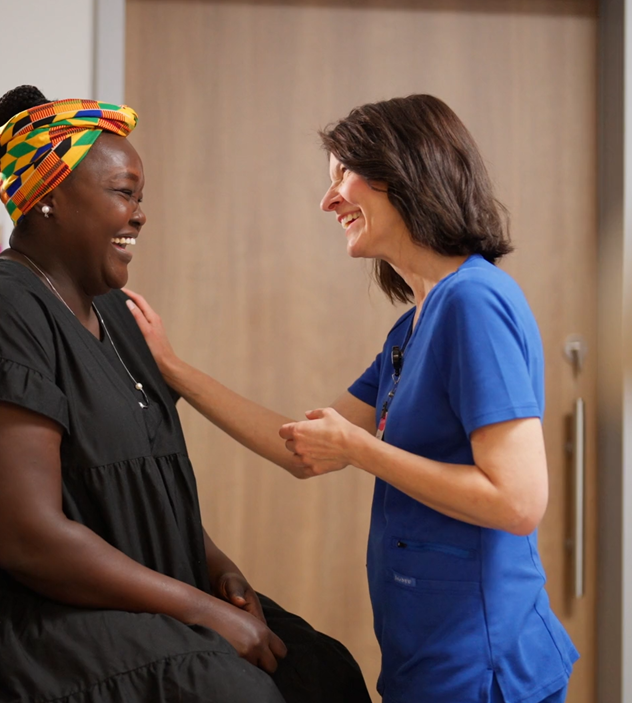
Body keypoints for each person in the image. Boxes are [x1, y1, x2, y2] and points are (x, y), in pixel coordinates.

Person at [0, 85, 370, 703]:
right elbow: (29, 540)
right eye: (123, 192)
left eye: (140, 196)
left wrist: (217, 570)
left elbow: (142, 484)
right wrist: (200, 610)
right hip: (7, 630)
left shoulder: (119, 317)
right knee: (235, 693)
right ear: (48, 198)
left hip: (116, 605)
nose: (140, 213)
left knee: (322, 671)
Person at [124, 94, 579, 703]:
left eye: (343, 174)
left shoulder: (474, 303)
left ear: (404, 171)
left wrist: (364, 451)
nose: (328, 199)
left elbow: (518, 501)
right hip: (425, 659)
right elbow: (302, 448)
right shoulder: (413, 326)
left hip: (482, 665)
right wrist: (173, 369)